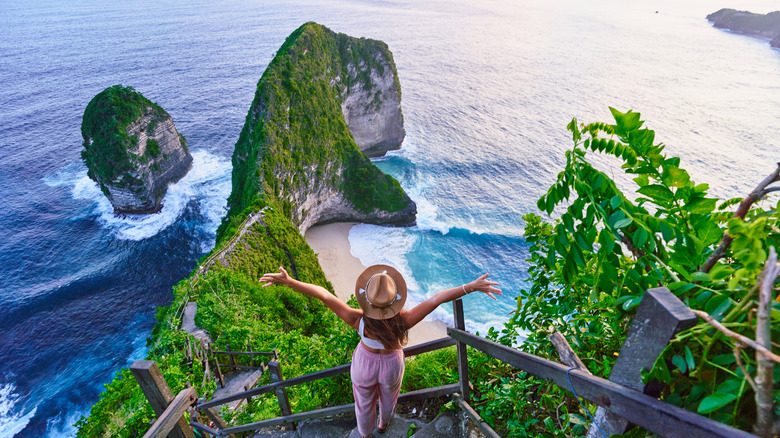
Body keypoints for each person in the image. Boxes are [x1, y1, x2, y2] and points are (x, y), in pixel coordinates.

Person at [260, 264, 501, 438]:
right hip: (391, 365)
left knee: (363, 402)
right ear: (395, 299)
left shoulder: (357, 319)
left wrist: (290, 282)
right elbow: (437, 299)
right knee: (389, 397)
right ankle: (384, 425)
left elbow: (324, 295)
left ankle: (365, 434)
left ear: (367, 301)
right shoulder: (403, 320)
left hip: (364, 364)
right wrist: (470, 286)